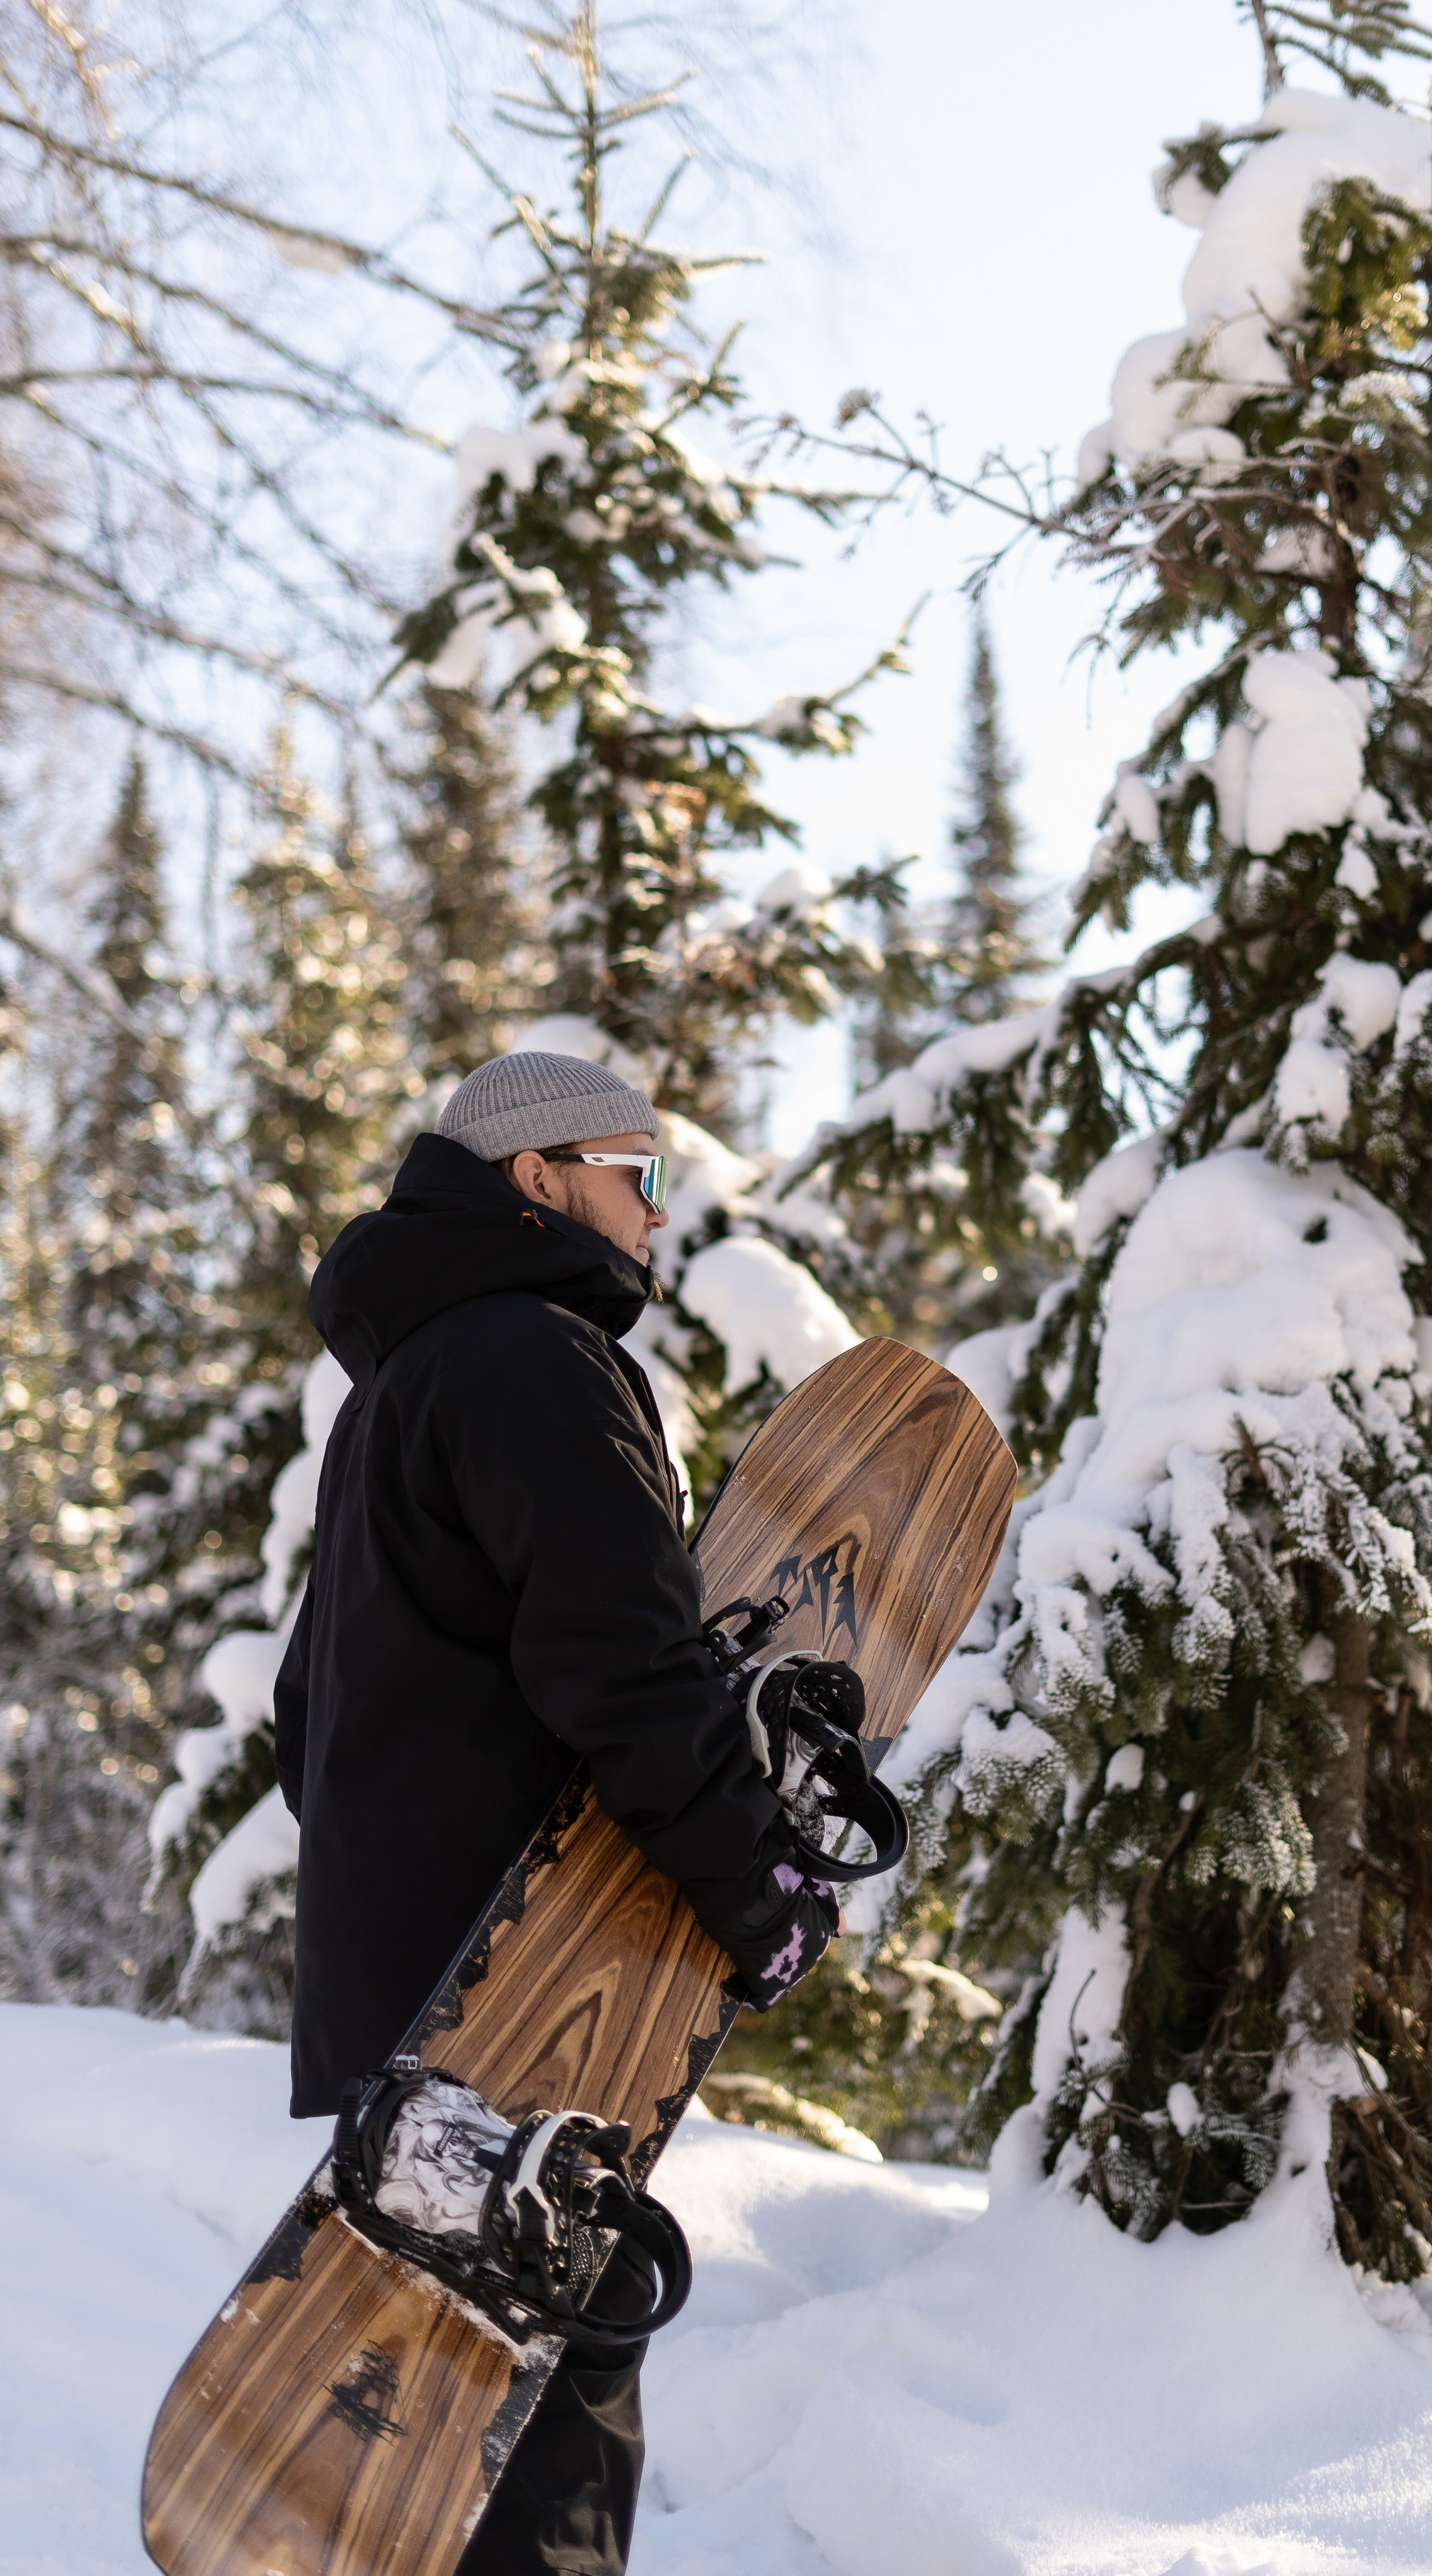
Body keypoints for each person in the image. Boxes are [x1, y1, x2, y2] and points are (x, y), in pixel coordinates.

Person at [273, 1047, 835, 2576]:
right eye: (635, 1176)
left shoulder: (399, 1389)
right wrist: (755, 1893)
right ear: (537, 1179)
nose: (656, 1217)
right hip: (530, 2006)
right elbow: (627, 1676)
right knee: (541, 2473)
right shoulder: (533, 1358)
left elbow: (303, 1725)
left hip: (410, 2024)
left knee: (429, 2465)